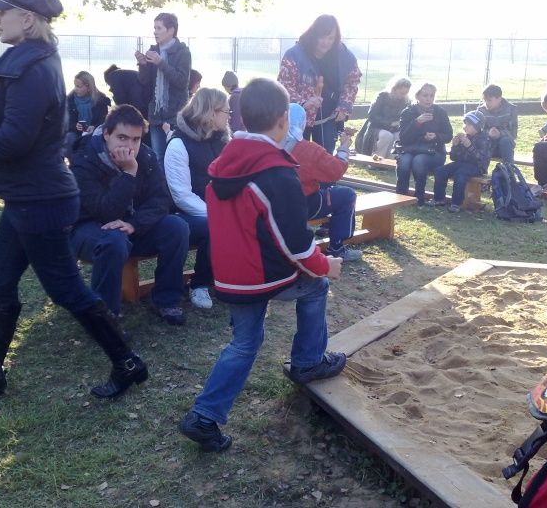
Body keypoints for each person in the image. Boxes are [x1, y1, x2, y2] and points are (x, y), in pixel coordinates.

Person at [0, 0, 147, 399]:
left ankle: (128, 363)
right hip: (26, 197)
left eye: (4, 10)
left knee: (65, 288)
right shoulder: (29, 60)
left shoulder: (33, 69)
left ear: (29, 19)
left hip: (42, 201)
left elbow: (12, 141)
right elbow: (13, 129)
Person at [178, 78, 344, 453]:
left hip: (229, 276)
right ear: (284, 120)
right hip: (262, 275)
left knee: (245, 343)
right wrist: (325, 265)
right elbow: (296, 244)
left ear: (241, 117)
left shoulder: (224, 164)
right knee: (317, 285)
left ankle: (203, 417)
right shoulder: (277, 172)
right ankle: (308, 361)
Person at [70, 105, 191, 325]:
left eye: (136, 139)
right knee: (113, 241)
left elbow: (161, 200)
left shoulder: (146, 155)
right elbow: (104, 211)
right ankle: (105, 318)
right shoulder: (84, 159)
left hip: (130, 226)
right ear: (106, 134)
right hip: (89, 228)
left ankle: (166, 300)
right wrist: (128, 173)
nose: (129, 146)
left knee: (176, 227)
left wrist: (135, 224)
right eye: (122, 137)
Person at [164, 88, 230, 311]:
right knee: (216, 226)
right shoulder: (178, 144)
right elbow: (181, 195)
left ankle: (232, 277)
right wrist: (218, 214)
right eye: (226, 111)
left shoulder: (222, 140)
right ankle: (200, 283)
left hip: (215, 208)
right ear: (210, 113)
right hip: (181, 214)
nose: (229, 116)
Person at [283, 103, 362, 261]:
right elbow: (335, 171)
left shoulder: (265, 145)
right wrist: (344, 147)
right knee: (347, 195)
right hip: (305, 204)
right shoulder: (309, 149)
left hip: (271, 203)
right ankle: (337, 248)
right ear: (302, 123)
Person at [278, 14, 362, 153]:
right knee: (296, 155)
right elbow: (284, 85)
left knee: (325, 154)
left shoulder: (345, 57)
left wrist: (344, 106)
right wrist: (303, 102)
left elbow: (352, 83)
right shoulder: (294, 55)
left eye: (330, 38)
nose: (326, 42)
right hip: (298, 117)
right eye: (322, 37)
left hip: (328, 117)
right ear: (313, 34)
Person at [135, 13, 191, 164]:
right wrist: (143, 65)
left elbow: (182, 82)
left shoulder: (183, 52)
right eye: (154, 28)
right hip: (156, 114)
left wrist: (160, 63)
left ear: (171, 30)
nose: (155, 32)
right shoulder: (153, 50)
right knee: (158, 158)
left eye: (159, 28)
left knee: (175, 158)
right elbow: (144, 81)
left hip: (176, 115)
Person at [394, 82, 453, 205]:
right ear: (417, 96)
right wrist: (417, 122)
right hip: (410, 148)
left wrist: (436, 136)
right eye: (425, 95)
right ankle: (401, 196)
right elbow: (404, 138)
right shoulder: (408, 112)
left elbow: (448, 135)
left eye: (431, 96)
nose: (428, 99)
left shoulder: (440, 112)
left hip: (434, 151)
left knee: (419, 161)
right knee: (404, 161)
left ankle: (419, 197)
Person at [427, 111, 491, 213]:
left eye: (468, 125)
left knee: (460, 174)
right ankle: (439, 198)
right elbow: (454, 157)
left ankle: (456, 203)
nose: (465, 127)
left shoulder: (484, 139)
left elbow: (481, 159)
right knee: (440, 171)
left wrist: (469, 146)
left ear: (477, 126)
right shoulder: (465, 137)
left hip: (477, 167)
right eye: (465, 124)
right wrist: (455, 146)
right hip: (461, 164)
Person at [355, 76, 411, 157]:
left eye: (406, 93)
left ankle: (390, 160)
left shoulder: (406, 101)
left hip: (394, 129)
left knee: (398, 136)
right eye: (401, 93)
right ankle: (377, 160)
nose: (403, 95)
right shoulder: (382, 96)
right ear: (394, 88)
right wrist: (390, 123)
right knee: (387, 136)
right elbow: (372, 116)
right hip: (376, 128)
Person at [64, 70, 111, 160]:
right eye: (75, 85)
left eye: (78, 86)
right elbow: (65, 122)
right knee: (69, 138)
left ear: (88, 87)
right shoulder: (69, 100)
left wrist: (95, 127)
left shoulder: (101, 101)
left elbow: (104, 120)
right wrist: (75, 126)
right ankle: (75, 164)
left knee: (99, 140)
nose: (75, 89)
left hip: (94, 133)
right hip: (75, 133)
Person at [475, 84, 517, 163]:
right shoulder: (480, 111)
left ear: (499, 99)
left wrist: (499, 134)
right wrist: (488, 133)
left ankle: (509, 169)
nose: (486, 103)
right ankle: (478, 169)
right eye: (484, 100)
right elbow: (476, 132)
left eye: (489, 100)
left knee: (505, 141)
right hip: (487, 145)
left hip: (504, 146)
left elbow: (513, 133)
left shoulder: (511, 109)